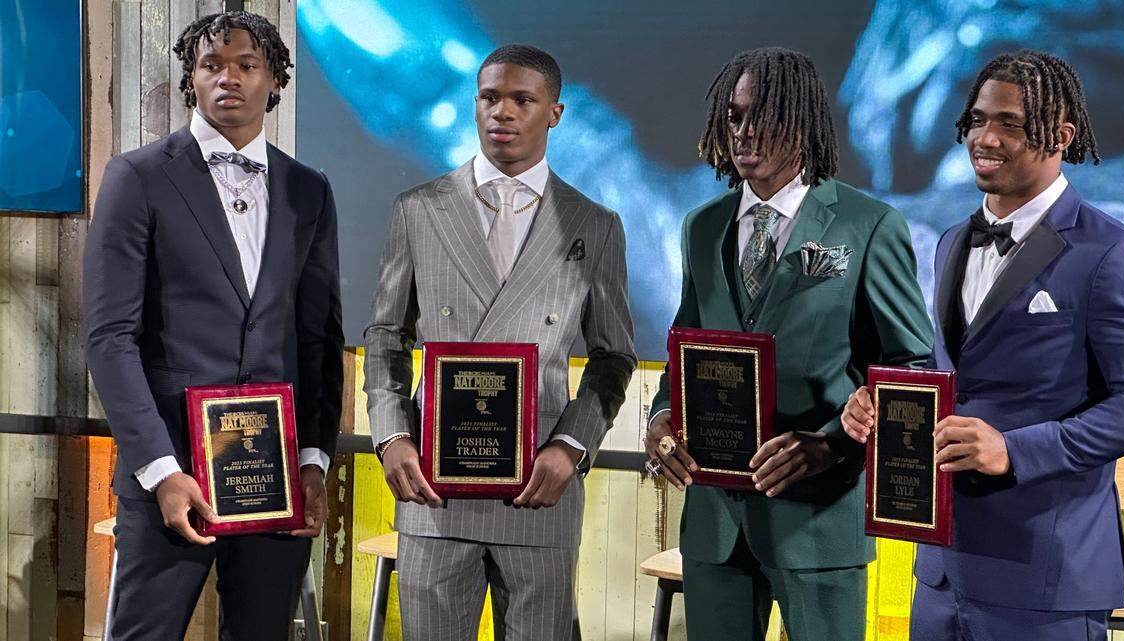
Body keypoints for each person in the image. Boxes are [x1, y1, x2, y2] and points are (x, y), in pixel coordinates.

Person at [842, 50, 1124, 641]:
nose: (986, 137)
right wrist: (879, 399)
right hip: (941, 571)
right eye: (978, 120)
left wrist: (1015, 449)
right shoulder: (951, 240)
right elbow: (950, 370)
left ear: (1061, 135)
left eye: (1010, 123)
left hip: (1047, 578)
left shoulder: (1112, 252)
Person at [644, 47, 932, 641]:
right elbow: (685, 344)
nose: (744, 132)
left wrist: (831, 446)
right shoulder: (701, 226)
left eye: (763, 116)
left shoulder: (869, 225)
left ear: (801, 123)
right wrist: (662, 414)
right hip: (715, 526)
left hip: (820, 521)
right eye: (733, 117)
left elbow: (910, 368)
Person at [363, 44, 636, 641]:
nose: (501, 112)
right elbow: (385, 336)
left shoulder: (595, 225)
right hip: (434, 490)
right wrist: (391, 434)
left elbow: (614, 357)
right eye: (489, 97)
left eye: (521, 99)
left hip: (539, 486)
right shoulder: (417, 210)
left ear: (555, 114)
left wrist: (572, 445)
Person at [84, 11, 342, 640]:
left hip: (274, 477)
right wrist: (160, 470)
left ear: (274, 80)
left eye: (247, 64)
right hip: (169, 475)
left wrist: (312, 460)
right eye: (211, 64)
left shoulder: (310, 189)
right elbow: (109, 339)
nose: (229, 77)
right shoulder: (137, 176)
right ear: (190, 80)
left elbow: (319, 341)